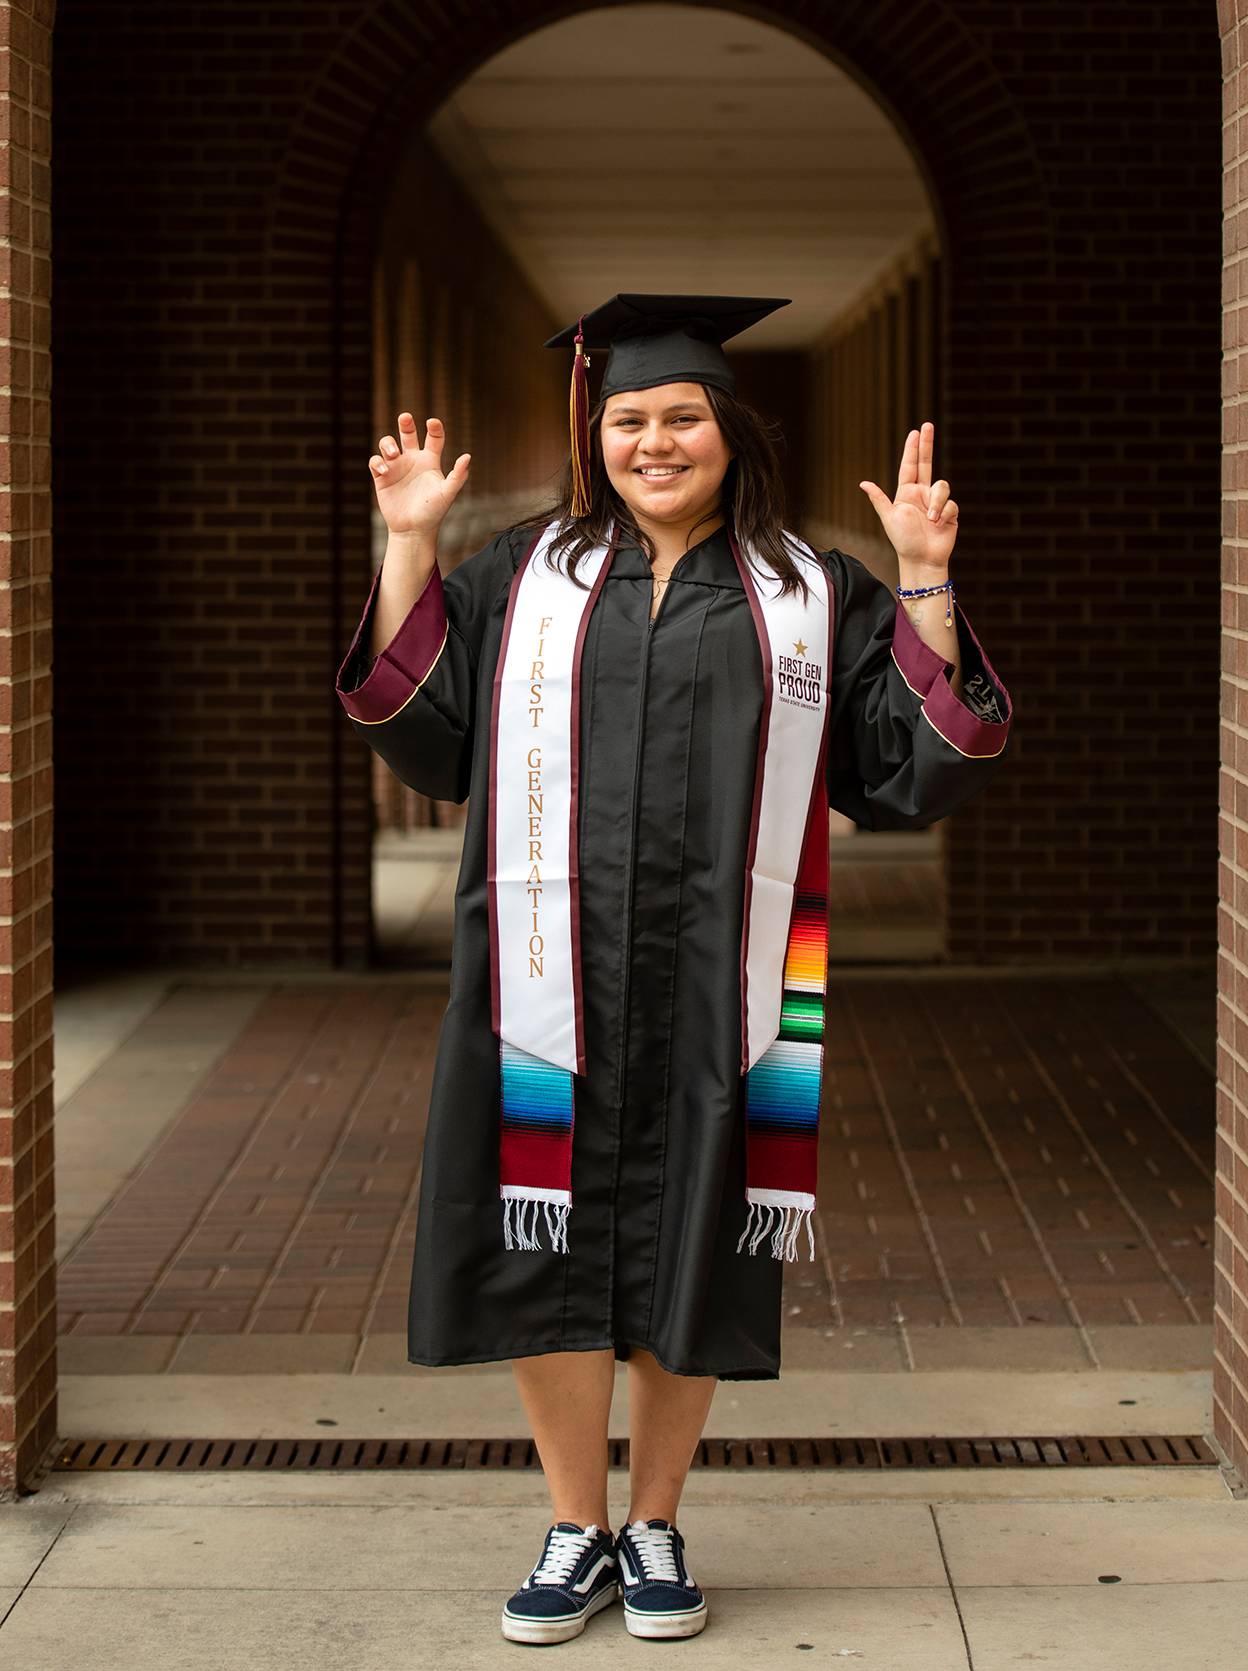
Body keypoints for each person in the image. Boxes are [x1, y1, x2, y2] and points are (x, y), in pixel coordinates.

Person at [334, 293, 1012, 1645]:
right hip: (542, 978)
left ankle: (656, 1522)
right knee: (547, 1243)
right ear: (598, 435)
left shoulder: (812, 591)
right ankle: (572, 1525)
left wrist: (927, 578)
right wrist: (409, 543)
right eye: (630, 419)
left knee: (691, 1237)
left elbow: (913, 763)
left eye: (682, 417)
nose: (657, 441)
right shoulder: (523, 576)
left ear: (726, 430)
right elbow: (424, 723)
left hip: (723, 985)